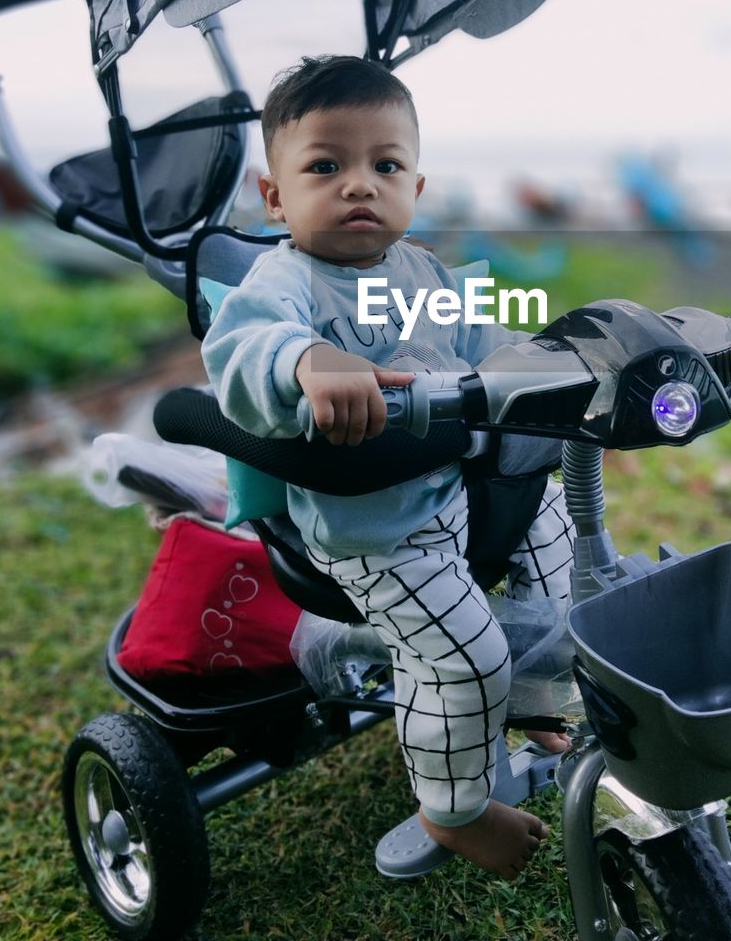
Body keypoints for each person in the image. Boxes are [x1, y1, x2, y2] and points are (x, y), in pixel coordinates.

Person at [202, 54, 574, 879]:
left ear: (417, 185)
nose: (359, 185)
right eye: (326, 166)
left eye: (385, 165)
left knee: (558, 532)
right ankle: (456, 812)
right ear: (274, 195)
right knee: (465, 655)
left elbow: (500, 347)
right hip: (374, 532)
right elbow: (239, 351)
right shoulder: (283, 283)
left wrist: (560, 372)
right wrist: (306, 359)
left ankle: (535, 696)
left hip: (463, 490)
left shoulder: (425, 273)